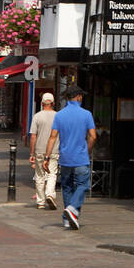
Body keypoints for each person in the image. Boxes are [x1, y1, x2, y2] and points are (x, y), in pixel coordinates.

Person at [43, 87, 96, 230]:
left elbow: (53, 137)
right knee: (82, 185)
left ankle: (67, 219)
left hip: (65, 158)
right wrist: (88, 150)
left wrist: (46, 158)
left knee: (67, 187)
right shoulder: (87, 114)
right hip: (80, 157)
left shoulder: (59, 115)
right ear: (78, 97)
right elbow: (93, 136)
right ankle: (72, 208)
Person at [29, 92, 59, 210]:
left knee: (40, 175)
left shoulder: (37, 116)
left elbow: (33, 136)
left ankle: (40, 201)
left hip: (39, 150)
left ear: (42, 103)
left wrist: (32, 153)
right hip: (54, 149)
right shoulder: (58, 116)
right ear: (53, 103)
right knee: (52, 173)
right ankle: (50, 194)